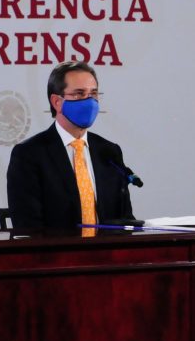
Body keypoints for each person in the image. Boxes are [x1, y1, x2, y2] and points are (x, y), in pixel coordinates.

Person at [7, 60, 134, 229]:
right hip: (58, 254)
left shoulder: (109, 151)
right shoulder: (29, 154)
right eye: (79, 94)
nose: (89, 102)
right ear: (57, 102)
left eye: (93, 94)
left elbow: (125, 219)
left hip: (106, 253)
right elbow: (28, 226)